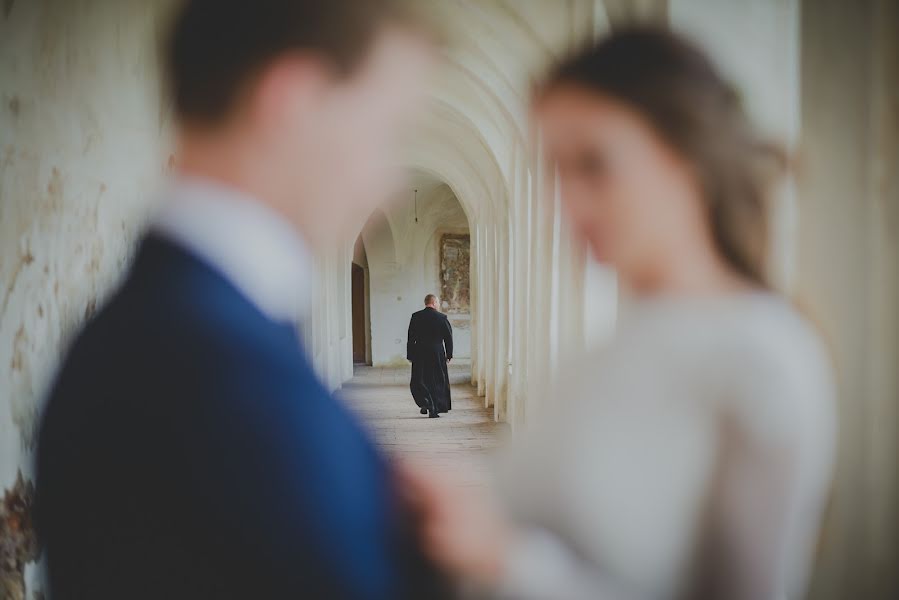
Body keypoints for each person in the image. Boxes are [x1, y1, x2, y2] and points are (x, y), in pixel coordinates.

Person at [401, 28, 836, 600]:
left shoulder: (761, 357)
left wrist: (506, 560)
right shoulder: (611, 347)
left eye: (595, 164)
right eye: (557, 171)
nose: (570, 203)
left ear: (687, 155)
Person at [35, 1, 447, 599]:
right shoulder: (219, 371)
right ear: (294, 102)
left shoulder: (163, 328)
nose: (383, 179)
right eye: (385, 131)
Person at [407, 294, 454, 418]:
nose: (438, 305)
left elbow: (411, 338)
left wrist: (410, 355)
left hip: (420, 352)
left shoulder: (416, 316)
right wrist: (449, 354)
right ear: (434, 303)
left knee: (420, 378)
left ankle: (425, 403)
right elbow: (448, 338)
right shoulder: (442, 318)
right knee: (437, 379)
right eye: (437, 303)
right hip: (436, 352)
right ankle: (435, 408)